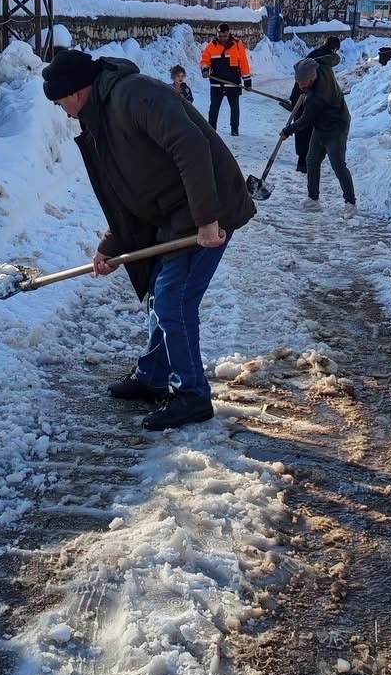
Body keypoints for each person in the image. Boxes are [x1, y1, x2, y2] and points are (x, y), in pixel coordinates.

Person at [41, 49, 256, 429]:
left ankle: (191, 394)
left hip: (208, 209)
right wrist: (111, 246)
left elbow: (191, 145)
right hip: (174, 214)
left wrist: (207, 219)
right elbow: (125, 192)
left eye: (60, 102)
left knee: (175, 300)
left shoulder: (135, 95)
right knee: (162, 293)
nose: (62, 110)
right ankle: (155, 375)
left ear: (76, 92)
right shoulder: (100, 118)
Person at [280, 57, 356, 214]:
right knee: (312, 160)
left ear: (312, 78)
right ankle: (313, 200)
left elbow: (305, 121)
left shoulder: (317, 97)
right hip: (320, 126)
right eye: (298, 82)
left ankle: (350, 203)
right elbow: (333, 58)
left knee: (338, 165)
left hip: (336, 127)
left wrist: (287, 131)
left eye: (303, 83)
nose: (300, 87)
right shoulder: (322, 66)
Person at [284, 36, 342, 173]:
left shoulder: (315, 54)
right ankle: (305, 163)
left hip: (298, 93)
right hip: (304, 95)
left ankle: (302, 162)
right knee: (307, 127)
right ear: (333, 49)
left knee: (301, 128)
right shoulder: (324, 60)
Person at [200, 22, 252, 136]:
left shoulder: (237, 45)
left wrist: (247, 80)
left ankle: (234, 129)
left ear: (229, 34)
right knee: (214, 108)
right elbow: (205, 60)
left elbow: (243, 63)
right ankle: (211, 130)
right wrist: (205, 69)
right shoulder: (211, 47)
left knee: (234, 108)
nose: (222, 38)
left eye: (225, 36)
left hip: (233, 83)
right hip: (216, 83)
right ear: (217, 34)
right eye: (220, 36)